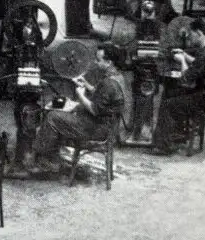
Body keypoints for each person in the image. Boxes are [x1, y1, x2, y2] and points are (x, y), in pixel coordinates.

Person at [11, 46, 125, 177]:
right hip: (106, 126)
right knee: (66, 111)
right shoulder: (117, 77)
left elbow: (95, 110)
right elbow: (102, 95)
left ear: (109, 62)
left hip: (96, 129)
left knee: (52, 116)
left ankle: (44, 160)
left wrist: (80, 95)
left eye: (99, 60)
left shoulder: (109, 83)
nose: (95, 62)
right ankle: (50, 156)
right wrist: (86, 84)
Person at [150, 18, 205, 155]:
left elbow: (186, 79)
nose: (190, 37)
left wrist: (182, 60)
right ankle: (173, 137)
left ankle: (163, 146)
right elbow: (202, 64)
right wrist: (185, 55)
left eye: (191, 33)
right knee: (173, 94)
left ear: (199, 33)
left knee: (168, 103)